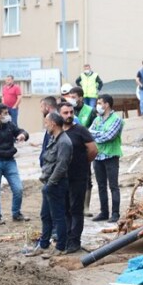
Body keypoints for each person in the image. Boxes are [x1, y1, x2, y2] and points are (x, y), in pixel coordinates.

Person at [26, 112, 72, 258]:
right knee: (45, 215)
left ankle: (60, 247)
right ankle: (44, 244)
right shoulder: (54, 138)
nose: (45, 125)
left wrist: (50, 184)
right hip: (49, 183)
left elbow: (61, 166)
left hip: (56, 184)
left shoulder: (64, 142)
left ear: (53, 123)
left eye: (46, 122)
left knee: (58, 217)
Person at [58, 102, 97, 253]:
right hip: (62, 177)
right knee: (65, 208)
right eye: (65, 113)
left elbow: (93, 150)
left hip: (79, 176)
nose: (69, 115)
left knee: (76, 209)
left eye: (71, 112)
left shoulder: (80, 130)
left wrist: (81, 162)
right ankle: (67, 237)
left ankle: (75, 241)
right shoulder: (58, 131)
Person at [89, 93, 124, 223]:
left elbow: (109, 136)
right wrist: (99, 134)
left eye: (100, 103)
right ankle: (104, 212)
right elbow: (89, 132)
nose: (98, 105)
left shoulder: (116, 119)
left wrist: (96, 135)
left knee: (113, 186)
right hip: (97, 156)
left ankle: (115, 213)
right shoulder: (97, 119)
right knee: (101, 185)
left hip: (111, 156)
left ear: (107, 104)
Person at [38, 96, 60, 168]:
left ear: (47, 107)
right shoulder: (50, 120)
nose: (41, 110)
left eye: (42, 107)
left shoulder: (55, 122)